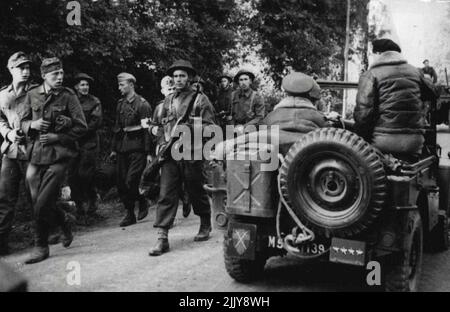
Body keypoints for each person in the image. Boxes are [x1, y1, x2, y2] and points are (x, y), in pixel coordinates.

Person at [22, 57, 88, 264]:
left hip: (60, 155)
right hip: (35, 154)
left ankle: (40, 245)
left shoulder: (68, 96)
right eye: (54, 74)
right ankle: (64, 222)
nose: (60, 78)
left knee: (41, 202)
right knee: (38, 200)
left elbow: (81, 127)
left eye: (61, 73)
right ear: (43, 76)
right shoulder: (32, 94)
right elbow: (23, 121)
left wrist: (58, 137)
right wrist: (32, 125)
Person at [147, 60, 215, 256]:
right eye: (175, 76)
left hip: (191, 153)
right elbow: (158, 126)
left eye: (182, 76)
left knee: (195, 190)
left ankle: (204, 222)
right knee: (166, 193)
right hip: (169, 154)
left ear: (190, 78)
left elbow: (211, 128)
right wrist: (161, 138)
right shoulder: (166, 102)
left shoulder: (200, 100)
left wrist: (189, 129)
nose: (178, 80)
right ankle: (162, 237)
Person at [354, 39, 438, 161]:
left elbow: (363, 115)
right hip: (415, 142)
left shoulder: (371, 74)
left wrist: (359, 142)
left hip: (384, 141)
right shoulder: (415, 71)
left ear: (378, 53)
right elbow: (433, 93)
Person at [0, 52, 36, 255]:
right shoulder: (3, 95)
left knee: (36, 195)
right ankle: (2, 241)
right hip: (11, 151)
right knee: (5, 197)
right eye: (20, 67)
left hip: (32, 150)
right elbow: (0, 120)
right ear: (10, 69)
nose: (25, 71)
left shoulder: (37, 92)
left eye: (28, 67)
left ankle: (45, 234)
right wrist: (8, 133)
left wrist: (27, 128)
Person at [109, 73, 153, 227]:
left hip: (138, 148)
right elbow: (117, 128)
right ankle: (130, 212)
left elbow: (148, 130)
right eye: (119, 85)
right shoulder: (120, 104)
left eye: (122, 85)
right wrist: (114, 149)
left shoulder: (143, 105)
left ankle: (141, 201)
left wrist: (148, 152)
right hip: (123, 148)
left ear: (131, 85)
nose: (119, 88)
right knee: (121, 183)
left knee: (131, 180)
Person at [261, 72, 328, 154]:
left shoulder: (270, 117)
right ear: (313, 100)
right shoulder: (320, 118)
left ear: (286, 93)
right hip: (310, 162)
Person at [68, 73, 103, 224]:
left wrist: (78, 132)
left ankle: (93, 197)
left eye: (87, 85)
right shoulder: (70, 101)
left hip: (89, 143)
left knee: (86, 174)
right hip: (73, 143)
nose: (85, 87)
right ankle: (80, 207)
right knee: (73, 175)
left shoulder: (94, 101)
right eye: (82, 85)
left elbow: (96, 121)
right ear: (76, 87)